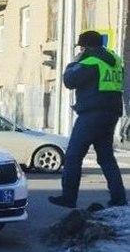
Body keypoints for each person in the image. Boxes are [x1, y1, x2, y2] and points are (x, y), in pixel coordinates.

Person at [49, 30, 127, 209]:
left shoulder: (90, 61)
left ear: (85, 46)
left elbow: (69, 81)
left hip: (92, 114)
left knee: (73, 156)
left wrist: (73, 63)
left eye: (81, 46)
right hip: (111, 114)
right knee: (106, 158)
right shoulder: (115, 60)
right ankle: (119, 198)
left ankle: (68, 197)